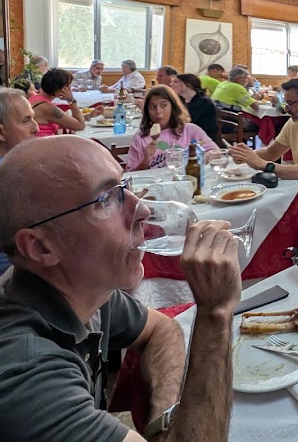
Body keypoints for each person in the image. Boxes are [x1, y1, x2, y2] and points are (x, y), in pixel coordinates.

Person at [0, 135, 241, 442]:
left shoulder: (82, 289)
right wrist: (216, 312)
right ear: (41, 246)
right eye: (106, 200)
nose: (142, 211)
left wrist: (162, 421)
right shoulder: (25, 379)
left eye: (124, 186)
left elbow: (161, 329)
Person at [228, 79, 298, 220]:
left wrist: (264, 165)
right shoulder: (294, 122)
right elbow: (271, 152)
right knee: (245, 210)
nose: (286, 109)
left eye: (290, 104)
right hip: (293, 190)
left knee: (257, 219)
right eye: (285, 103)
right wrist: (246, 155)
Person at [126, 85, 217, 171]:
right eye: (153, 107)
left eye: (163, 105)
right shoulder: (141, 138)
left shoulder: (190, 130)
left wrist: (194, 160)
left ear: (173, 107)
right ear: (147, 111)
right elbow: (130, 173)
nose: (158, 112)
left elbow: (216, 152)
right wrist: (146, 160)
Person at [0, 87, 39, 275]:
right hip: (13, 275)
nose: (36, 127)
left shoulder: (17, 164)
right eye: (26, 121)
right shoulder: (9, 176)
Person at [29, 68, 86, 137]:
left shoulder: (34, 98)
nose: (69, 89)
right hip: (45, 144)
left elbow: (65, 120)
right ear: (60, 88)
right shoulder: (48, 108)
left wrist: (90, 115)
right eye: (68, 86)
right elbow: (80, 125)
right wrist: (71, 100)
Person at [170, 73, 219, 143]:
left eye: (175, 82)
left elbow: (186, 120)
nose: (171, 84)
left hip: (202, 139)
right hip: (186, 134)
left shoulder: (203, 101)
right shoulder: (182, 100)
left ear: (188, 84)